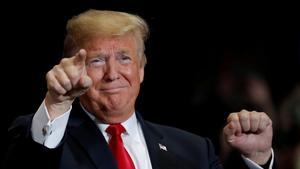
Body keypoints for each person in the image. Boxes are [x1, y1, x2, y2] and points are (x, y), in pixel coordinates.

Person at [4, 9, 275, 169]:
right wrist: (57, 103)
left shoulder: (193, 151)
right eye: (97, 60)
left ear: (141, 69)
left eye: (124, 58)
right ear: (72, 69)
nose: (112, 74)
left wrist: (256, 159)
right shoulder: (47, 141)